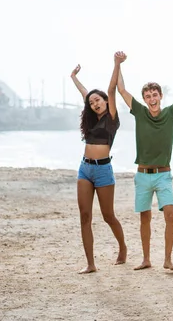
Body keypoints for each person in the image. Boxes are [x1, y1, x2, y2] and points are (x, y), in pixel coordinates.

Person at [116, 53, 173, 271]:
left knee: (170, 214)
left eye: (155, 94)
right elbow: (121, 90)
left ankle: (168, 259)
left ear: (160, 96)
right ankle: (146, 259)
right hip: (142, 175)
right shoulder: (139, 112)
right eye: (148, 95)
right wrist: (118, 64)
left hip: (163, 174)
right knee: (145, 218)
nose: (151, 98)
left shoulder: (170, 113)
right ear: (144, 98)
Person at [70, 52, 128, 274]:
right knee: (85, 216)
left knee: (108, 215)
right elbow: (85, 93)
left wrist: (116, 64)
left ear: (105, 101)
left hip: (104, 170)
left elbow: (112, 88)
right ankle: (91, 264)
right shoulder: (91, 117)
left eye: (98, 100)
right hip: (85, 169)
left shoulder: (112, 118)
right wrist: (74, 78)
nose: (94, 103)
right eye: (92, 102)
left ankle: (123, 247)